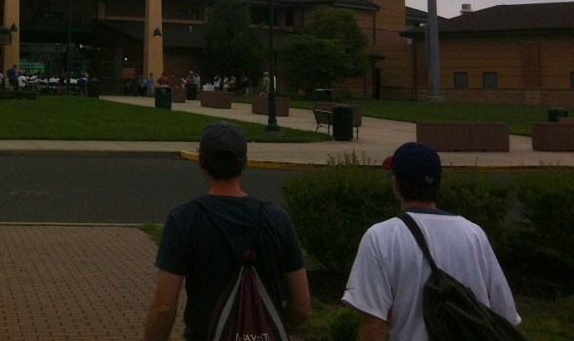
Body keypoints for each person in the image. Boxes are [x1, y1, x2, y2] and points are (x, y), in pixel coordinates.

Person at [143, 122, 311, 341]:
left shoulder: (185, 220)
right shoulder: (276, 219)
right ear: (244, 162)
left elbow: (164, 308)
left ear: (201, 161)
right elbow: (302, 307)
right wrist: (266, 325)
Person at [342, 142, 521, 341]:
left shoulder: (380, 237)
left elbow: (373, 326)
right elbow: (505, 317)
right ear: (438, 184)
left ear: (396, 184)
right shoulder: (474, 234)